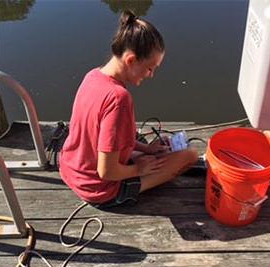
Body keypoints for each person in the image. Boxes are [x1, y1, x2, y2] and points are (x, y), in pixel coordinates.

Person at [59, 10, 198, 208]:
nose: (151, 75)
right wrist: (138, 169)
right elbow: (106, 172)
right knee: (189, 156)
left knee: (153, 153)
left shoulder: (93, 75)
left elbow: (101, 137)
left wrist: (146, 149)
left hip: (71, 168)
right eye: (151, 68)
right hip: (97, 188)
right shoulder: (119, 98)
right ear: (131, 60)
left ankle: (146, 155)